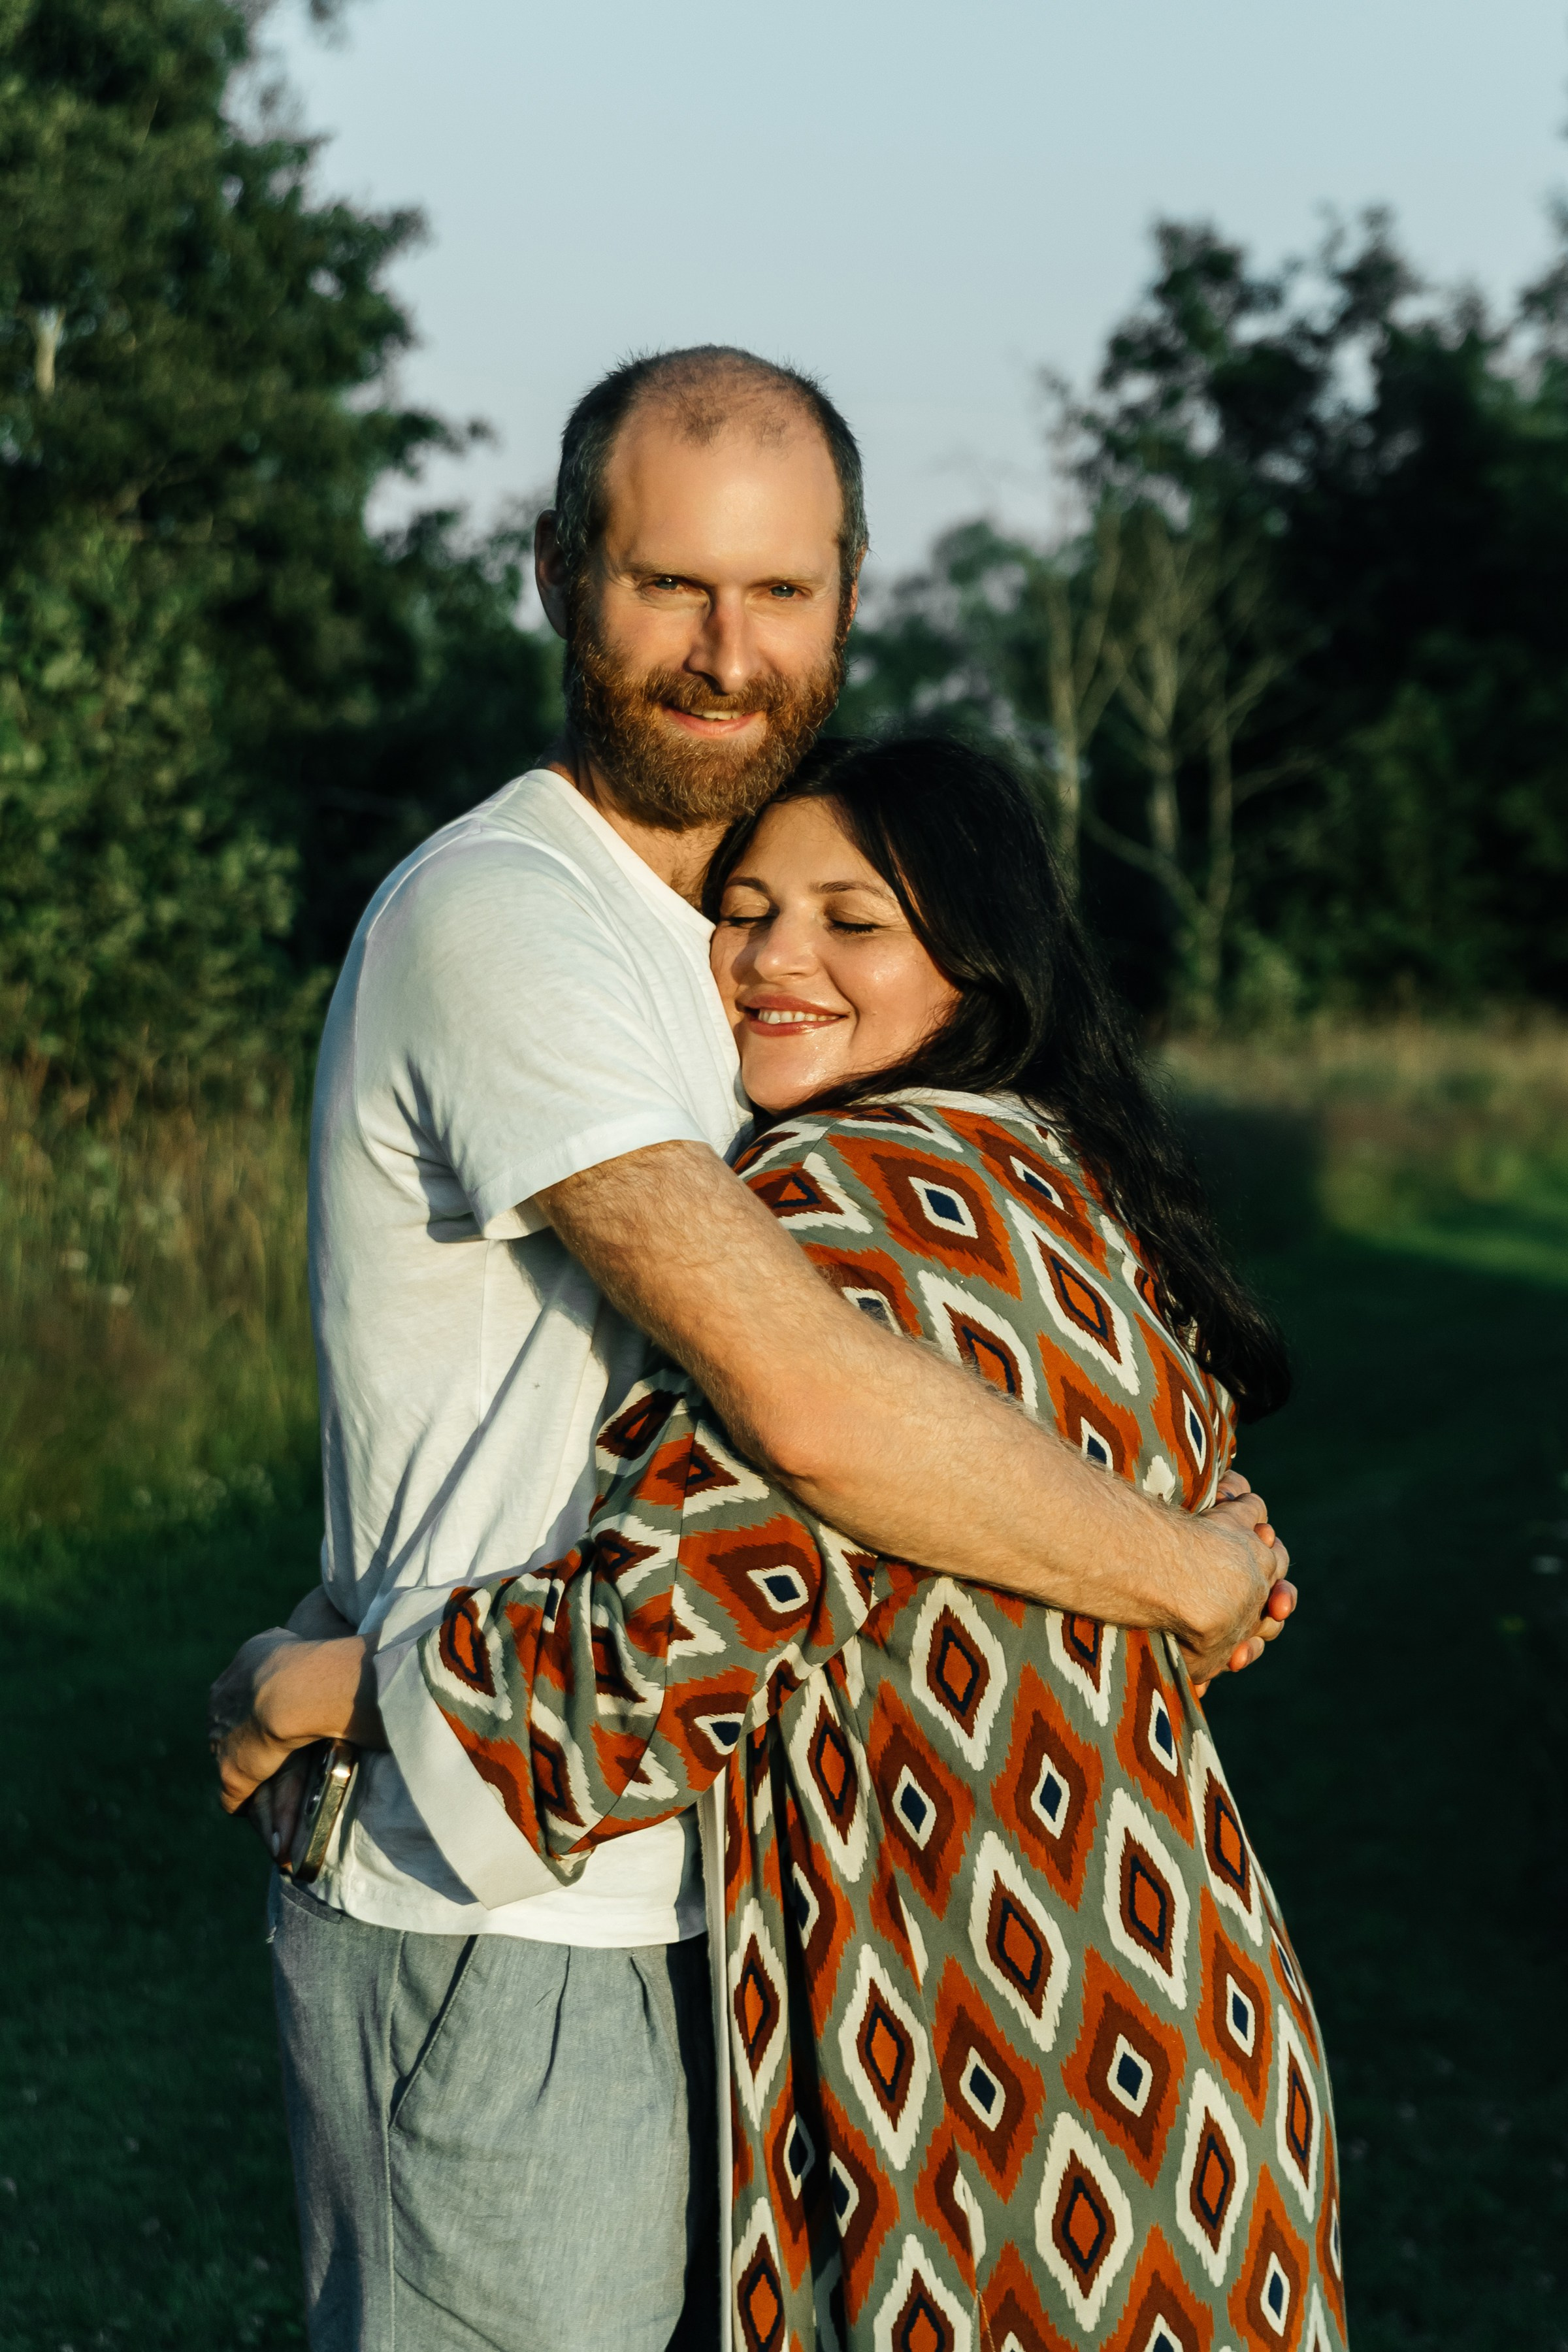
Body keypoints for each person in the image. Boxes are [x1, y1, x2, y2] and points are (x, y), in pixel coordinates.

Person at [210, 352, 1293, 2352]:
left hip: (775, 1912)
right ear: (557, 577)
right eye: (668, 586)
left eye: (780, 594)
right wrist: (1196, 1565)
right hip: (520, 1917)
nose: (725, 653)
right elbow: (807, 1412)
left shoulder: (796, 1006)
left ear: (851, 597)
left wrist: (326, 1670)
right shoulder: (506, 917)